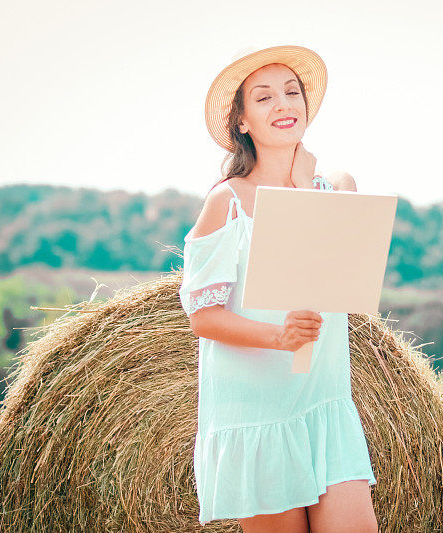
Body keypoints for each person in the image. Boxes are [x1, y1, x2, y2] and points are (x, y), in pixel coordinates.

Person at [177, 45, 378, 533]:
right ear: (242, 121)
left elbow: (339, 275)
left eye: (292, 93)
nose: (283, 105)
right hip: (258, 416)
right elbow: (203, 317)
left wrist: (306, 187)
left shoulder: (337, 187)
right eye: (264, 98)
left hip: (325, 403)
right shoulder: (227, 203)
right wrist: (279, 337)